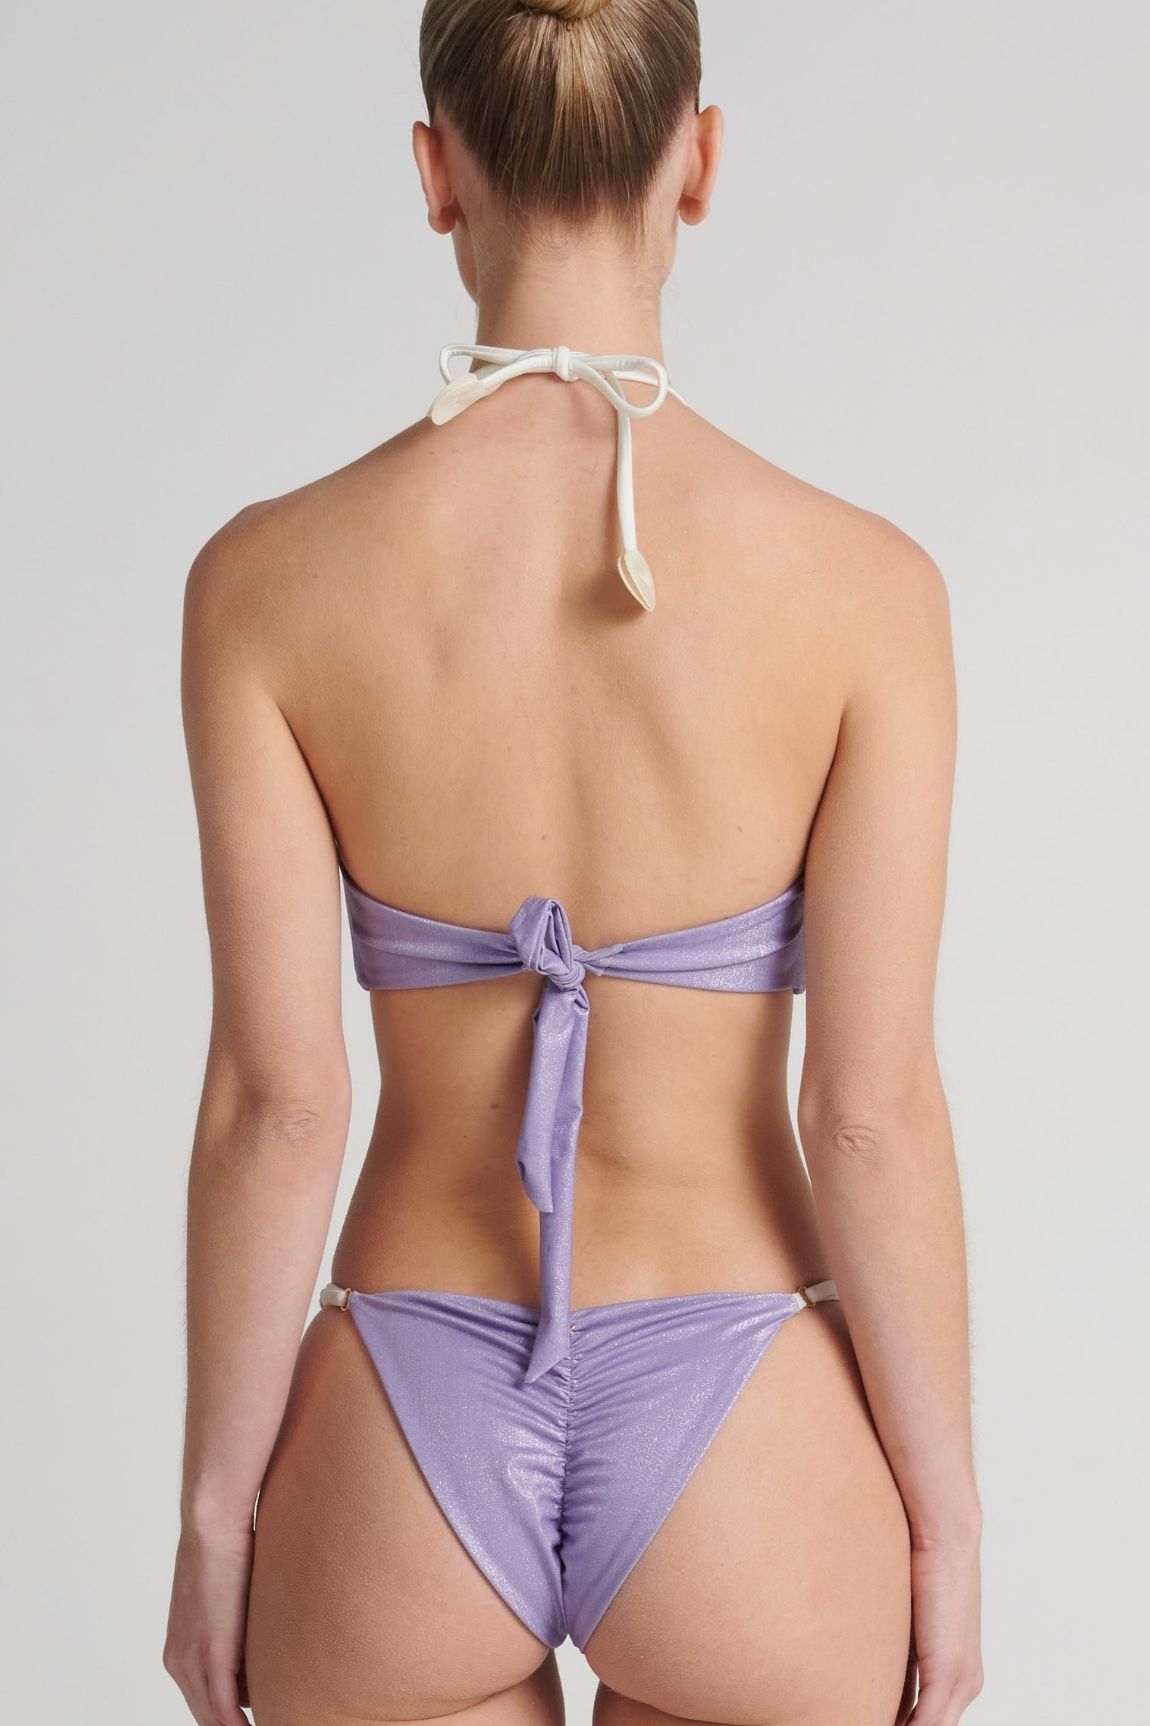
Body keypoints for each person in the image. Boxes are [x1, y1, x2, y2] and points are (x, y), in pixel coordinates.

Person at [163, 2, 983, 1723]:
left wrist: (216, 1516)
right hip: (742, 1406)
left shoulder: (264, 581)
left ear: (435, 172)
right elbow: (868, 1113)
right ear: (698, 160)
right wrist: (945, 1525)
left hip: (404, 1404)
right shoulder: (866, 589)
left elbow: (278, 1104)